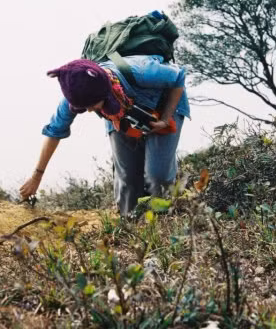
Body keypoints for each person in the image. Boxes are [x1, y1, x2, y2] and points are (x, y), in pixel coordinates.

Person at [19, 55, 190, 216]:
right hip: (117, 115)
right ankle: (131, 224)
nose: (89, 110)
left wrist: (166, 118)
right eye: (82, 107)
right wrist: (36, 177)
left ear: (105, 92)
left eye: (91, 105)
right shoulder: (76, 95)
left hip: (165, 105)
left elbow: (178, 76)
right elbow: (54, 132)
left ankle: (165, 218)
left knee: (157, 175)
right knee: (127, 181)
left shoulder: (141, 70)